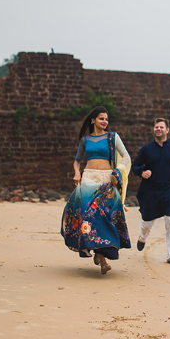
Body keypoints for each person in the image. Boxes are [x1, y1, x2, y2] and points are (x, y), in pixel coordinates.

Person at [61, 106, 131, 274]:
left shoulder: (113, 137)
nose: (105, 121)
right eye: (101, 118)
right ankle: (98, 255)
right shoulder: (85, 140)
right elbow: (77, 160)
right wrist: (77, 173)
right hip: (88, 178)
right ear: (93, 120)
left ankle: (100, 254)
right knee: (86, 214)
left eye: (106, 119)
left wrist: (117, 172)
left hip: (107, 179)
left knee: (104, 216)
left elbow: (127, 157)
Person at [131, 118, 170, 265]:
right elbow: (135, 166)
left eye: (161, 127)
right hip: (150, 190)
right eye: (156, 127)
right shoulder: (146, 149)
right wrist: (142, 172)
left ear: (167, 130)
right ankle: (143, 237)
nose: (158, 129)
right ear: (154, 129)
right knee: (147, 221)